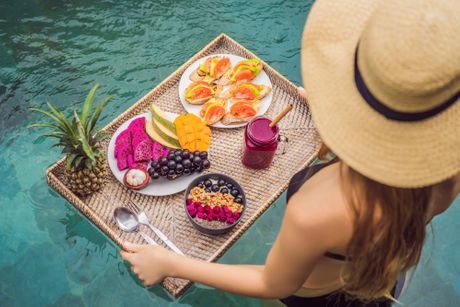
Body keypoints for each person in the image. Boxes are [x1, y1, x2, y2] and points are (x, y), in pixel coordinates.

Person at [121, 0, 460, 305]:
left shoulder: (317, 208)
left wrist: (172, 264)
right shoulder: (448, 167)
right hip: (381, 280)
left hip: (313, 297)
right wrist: (336, 123)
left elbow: (272, 283)